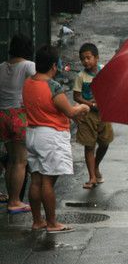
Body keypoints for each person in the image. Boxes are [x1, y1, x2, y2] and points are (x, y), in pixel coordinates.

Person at [22, 45, 89, 233]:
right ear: (53, 65)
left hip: (32, 134)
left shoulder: (28, 83)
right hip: (50, 136)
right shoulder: (53, 87)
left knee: (36, 179)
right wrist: (82, 108)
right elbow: (69, 111)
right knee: (48, 182)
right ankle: (52, 223)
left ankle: (38, 221)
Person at [0, 34, 35, 213]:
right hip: (19, 115)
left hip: (3, 115)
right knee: (21, 161)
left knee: (11, 161)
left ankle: (11, 199)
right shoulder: (28, 66)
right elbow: (42, 83)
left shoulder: (2, 67)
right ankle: (15, 201)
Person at [73, 42, 114, 189]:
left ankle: (96, 165)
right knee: (89, 145)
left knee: (105, 142)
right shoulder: (81, 76)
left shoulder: (104, 70)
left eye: (88, 58)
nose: (85, 61)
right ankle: (92, 177)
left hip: (104, 112)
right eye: (83, 59)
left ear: (96, 58)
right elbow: (76, 96)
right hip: (88, 114)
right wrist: (91, 105)